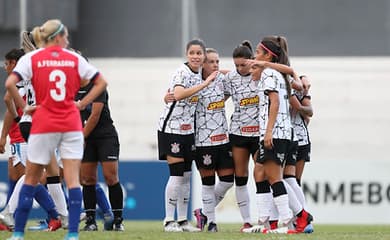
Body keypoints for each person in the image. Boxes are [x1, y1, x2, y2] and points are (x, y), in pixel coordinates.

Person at [5, 19, 107, 240]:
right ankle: (71, 232)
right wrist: (80, 103)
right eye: (66, 36)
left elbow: (9, 85)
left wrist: (24, 109)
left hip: (41, 121)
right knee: (70, 178)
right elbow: (99, 82)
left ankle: (19, 232)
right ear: (58, 37)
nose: (67, 40)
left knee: (33, 176)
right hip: (69, 122)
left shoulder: (31, 59)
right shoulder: (73, 58)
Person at [252, 36, 312, 233]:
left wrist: (268, 131)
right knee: (261, 172)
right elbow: (293, 79)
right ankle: (267, 220)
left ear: (267, 55)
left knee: (276, 178)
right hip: (284, 132)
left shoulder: (269, 74)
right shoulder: (278, 73)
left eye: (258, 53)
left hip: (276, 133)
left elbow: (275, 103)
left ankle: (294, 218)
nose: (255, 57)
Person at [157, 38, 218, 232]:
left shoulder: (201, 72)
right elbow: (179, 94)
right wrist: (205, 83)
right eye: (192, 53)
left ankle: (183, 221)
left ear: (204, 56)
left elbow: (219, 73)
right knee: (175, 175)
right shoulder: (181, 72)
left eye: (199, 53)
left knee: (186, 176)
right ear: (186, 54)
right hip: (172, 128)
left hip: (188, 131)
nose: (195, 57)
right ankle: (168, 220)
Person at [186, 48, 234, 232]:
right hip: (203, 141)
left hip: (223, 138)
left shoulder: (221, 80)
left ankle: (203, 212)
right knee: (208, 183)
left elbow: (235, 75)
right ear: (203, 64)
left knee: (228, 180)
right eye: (211, 62)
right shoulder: (195, 83)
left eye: (217, 62)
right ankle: (212, 223)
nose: (215, 65)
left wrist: (220, 72)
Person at [76, 76, 124, 231]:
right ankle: (91, 222)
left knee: (111, 177)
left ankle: (117, 221)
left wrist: (80, 137)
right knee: (87, 179)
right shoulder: (70, 88)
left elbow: (95, 116)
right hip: (85, 137)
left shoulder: (97, 87)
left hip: (105, 136)